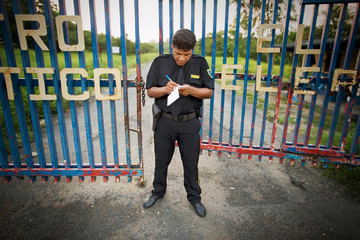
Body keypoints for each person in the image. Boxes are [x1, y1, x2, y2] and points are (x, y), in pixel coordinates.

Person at [143, 29, 214, 217]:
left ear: (192, 50)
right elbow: (150, 91)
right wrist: (165, 89)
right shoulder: (160, 63)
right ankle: (157, 192)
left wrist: (191, 91)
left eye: (186, 55)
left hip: (190, 123)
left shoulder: (200, 63)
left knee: (191, 164)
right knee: (161, 161)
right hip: (165, 122)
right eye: (178, 54)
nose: (182, 59)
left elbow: (209, 91)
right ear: (172, 47)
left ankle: (194, 198)